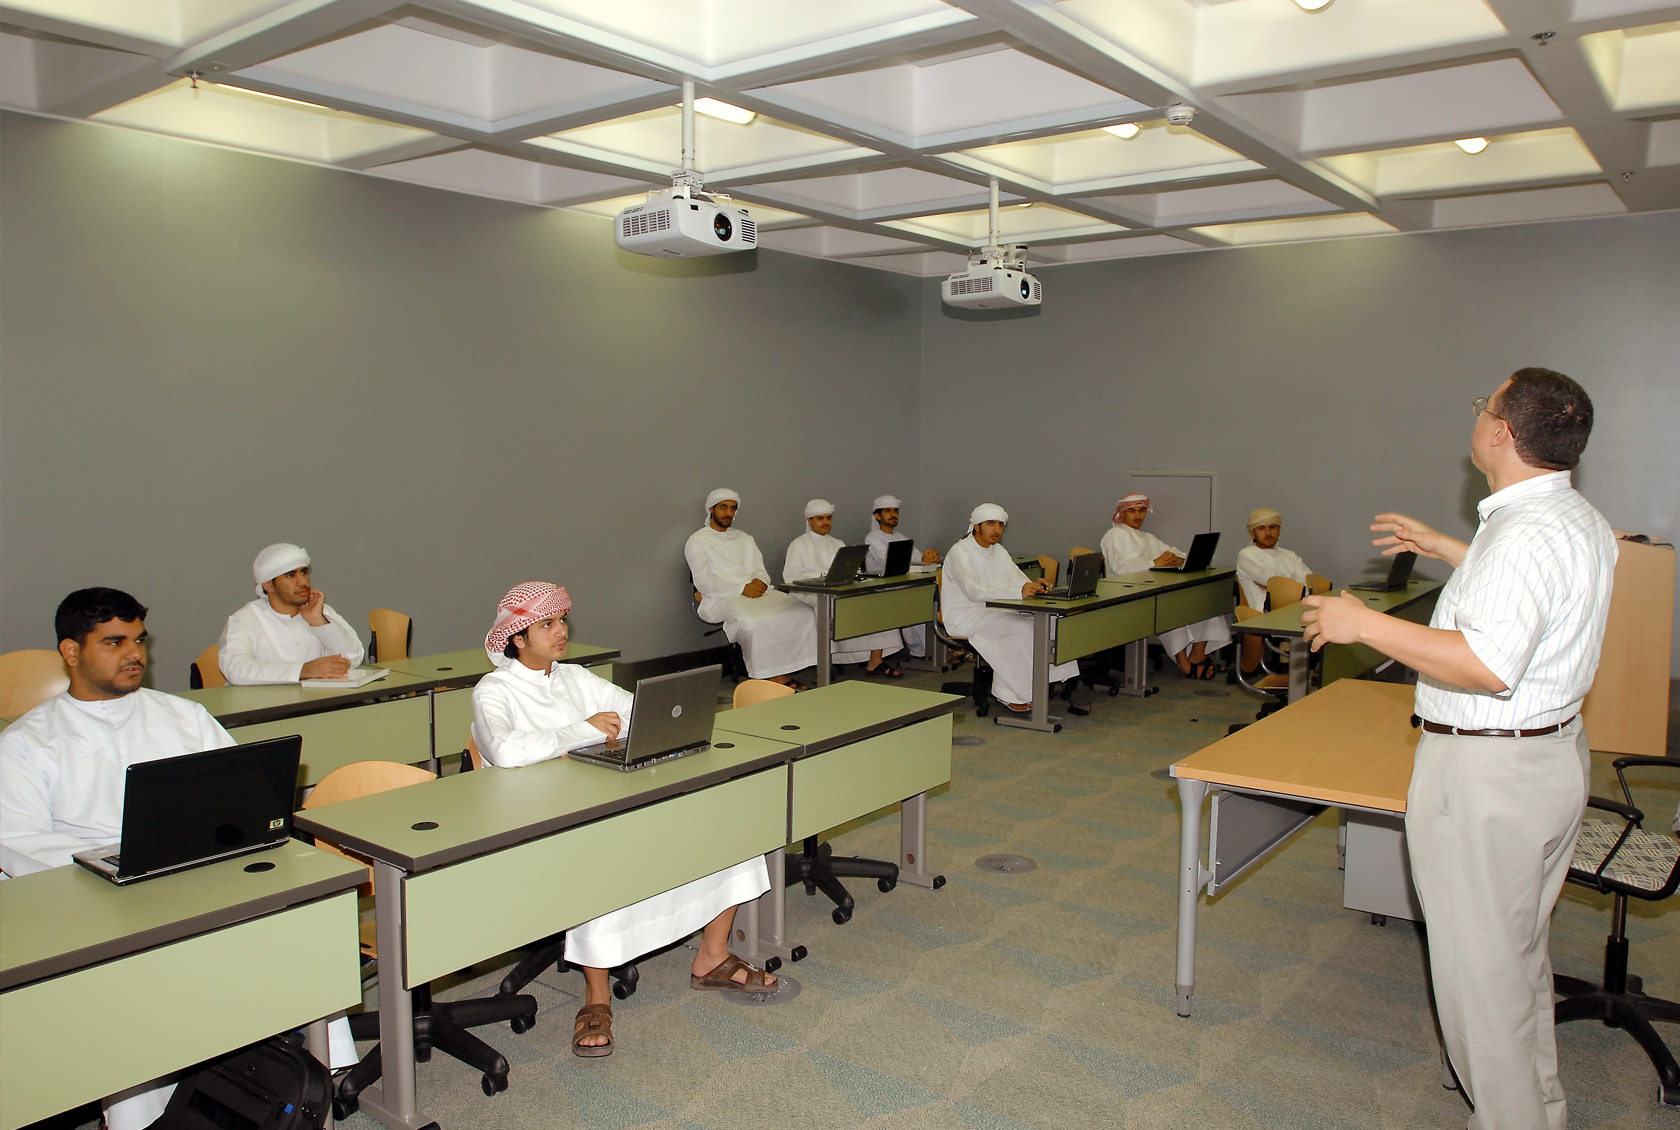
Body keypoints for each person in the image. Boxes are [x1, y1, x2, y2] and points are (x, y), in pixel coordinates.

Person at [1301, 368, 1614, 1130]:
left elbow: (1487, 664)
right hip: (1547, 760)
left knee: (1480, 976)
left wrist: (1364, 624)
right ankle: (1539, 1108)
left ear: (1502, 433)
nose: (1478, 418)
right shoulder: (1573, 520)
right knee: (1515, 958)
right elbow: (1530, 602)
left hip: (1487, 773)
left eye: (1486, 407)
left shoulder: (1521, 538)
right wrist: (1450, 549)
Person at [0, 588, 354, 1128]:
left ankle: (306, 1083)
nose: (134, 653)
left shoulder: (183, 715)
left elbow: (243, 799)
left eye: (138, 640)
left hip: (200, 875)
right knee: (140, 987)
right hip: (94, 897)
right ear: (71, 652)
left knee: (299, 923)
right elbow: (17, 841)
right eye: (114, 642)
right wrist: (118, 860)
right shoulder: (28, 743)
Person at [470, 583, 776, 1057]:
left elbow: (635, 711)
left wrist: (612, 725)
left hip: (601, 795)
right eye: (546, 624)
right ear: (516, 638)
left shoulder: (573, 678)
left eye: (561, 621)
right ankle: (596, 995)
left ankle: (712, 956)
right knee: (602, 855)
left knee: (725, 827)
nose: (561, 631)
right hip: (538, 822)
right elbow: (505, 751)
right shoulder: (494, 691)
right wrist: (583, 729)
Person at [942, 504, 1080, 712]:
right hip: (967, 615)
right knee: (1020, 627)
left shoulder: (999, 551)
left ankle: (1046, 682)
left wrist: (1034, 586)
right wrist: (1018, 592)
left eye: (1000, 524)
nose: (997, 530)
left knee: (1048, 622)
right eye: (990, 524)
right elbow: (974, 592)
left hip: (996, 609)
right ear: (977, 526)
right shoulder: (960, 552)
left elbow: (1017, 580)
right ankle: (1009, 694)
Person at [685, 488, 818, 687]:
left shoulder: (744, 538)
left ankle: (789, 667)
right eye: (723, 507)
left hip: (757, 592)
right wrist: (741, 588)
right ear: (711, 509)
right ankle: (767, 675)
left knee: (803, 611)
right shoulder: (697, 541)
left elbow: (760, 570)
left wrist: (761, 582)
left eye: (732, 508)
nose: (728, 513)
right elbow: (704, 582)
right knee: (753, 621)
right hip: (719, 598)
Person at [1099, 494, 1232, 678]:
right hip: (1126, 595)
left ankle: (1197, 654)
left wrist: (1179, 559)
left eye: (1142, 510)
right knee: (1170, 607)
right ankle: (1183, 663)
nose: (1138, 515)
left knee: (1205, 603)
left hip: (1151, 590)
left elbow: (1176, 553)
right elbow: (1120, 568)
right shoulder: (1115, 535)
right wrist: (1154, 562)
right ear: (1122, 513)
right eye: (1132, 511)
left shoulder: (1148, 538)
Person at [784, 499, 906, 677]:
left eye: (828, 518)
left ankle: (875, 660)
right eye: (820, 518)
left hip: (840, 589)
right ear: (809, 520)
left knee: (878, 602)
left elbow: (851, 570)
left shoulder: (837, 543)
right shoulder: (798, 544)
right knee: (825, 607)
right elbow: (791, 577)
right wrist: (819, 580)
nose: (826, 522)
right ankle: (826, 664)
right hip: (811, 592)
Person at [219, 542, 364, 684]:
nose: (302, 582)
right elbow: (236, 670)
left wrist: (319, 622)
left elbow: (353, 659)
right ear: (268, 585)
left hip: (318, 702)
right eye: (290, 575)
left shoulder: (320, 611)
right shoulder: (244, 620)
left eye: (303, 572)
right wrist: (304, 670)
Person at [863, 494, 941, 658]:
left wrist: (929, 557)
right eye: (888, 511)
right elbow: (890, 562)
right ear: (877, 515)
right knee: (913, 600)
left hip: (903, 585)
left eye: (895, 511)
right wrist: (920, 558)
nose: (893, 514)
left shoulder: (901, 537)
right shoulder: (872, 538)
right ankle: (922, 649)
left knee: (927, 597)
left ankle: (934, 649)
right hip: (882, 589)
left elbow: (916, 556)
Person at [1234, 507, 1315, 611]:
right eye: (1261, 528)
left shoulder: (1290, 555)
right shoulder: (1247, 555)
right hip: (1265, 617)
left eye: (1272, 527)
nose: (1268, 533)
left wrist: (1284, 586)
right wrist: (1293, 583)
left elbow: (1311, 585)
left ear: (1279, 530)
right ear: (1252, 533)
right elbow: (1276, 584)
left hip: (1295, 611)